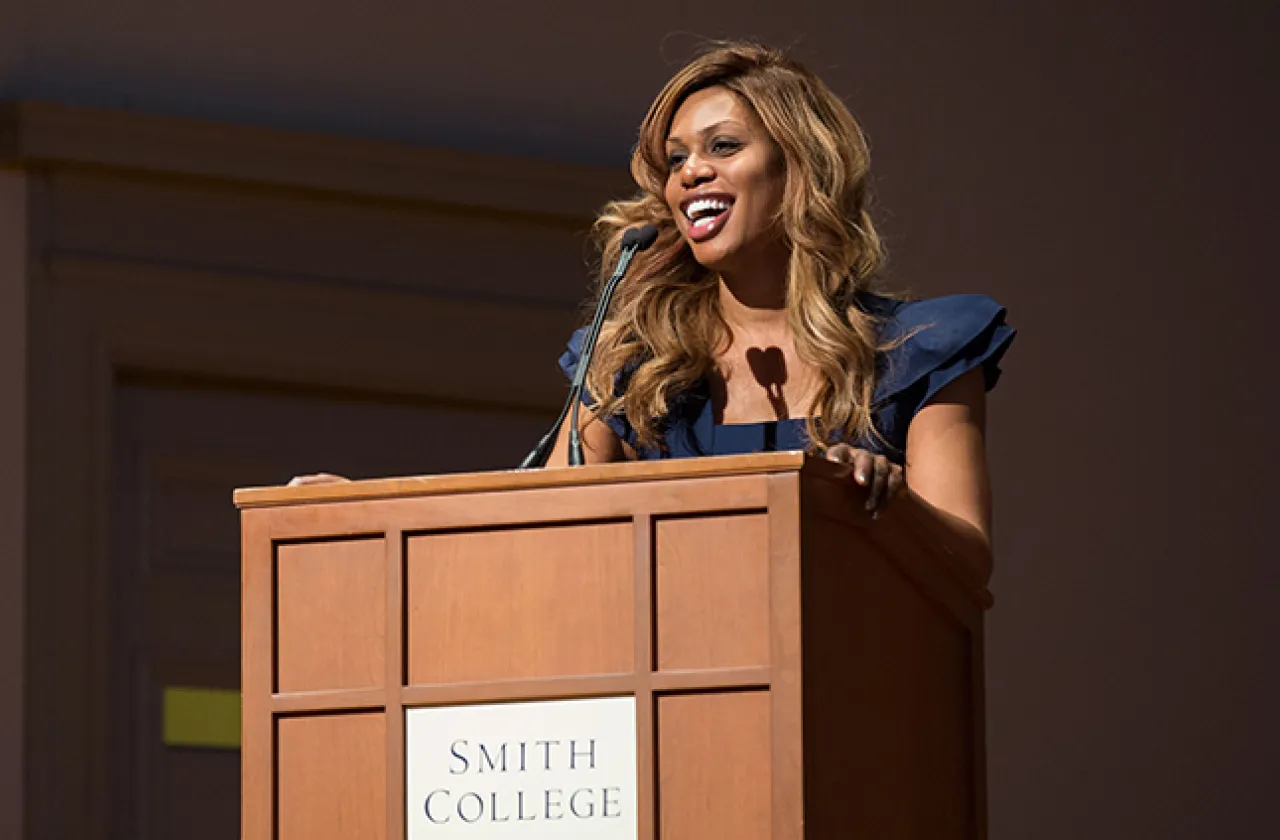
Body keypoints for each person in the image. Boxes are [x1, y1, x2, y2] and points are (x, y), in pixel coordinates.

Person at [542, 42, 1014, 564]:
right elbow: (550, 534)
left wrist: (890, 505)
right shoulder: (629, 366)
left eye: (722, 146)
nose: (690, 173)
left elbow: (970, 560)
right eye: (677, 158)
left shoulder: (917, 353)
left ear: (798, 169)